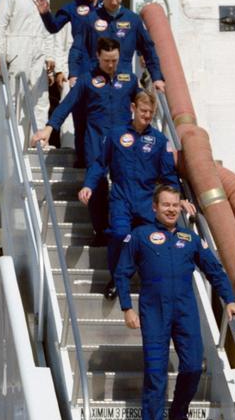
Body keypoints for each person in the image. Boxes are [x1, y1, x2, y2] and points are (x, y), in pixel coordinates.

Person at [114, 184, 235, 420]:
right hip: (154, 312)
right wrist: (126, 307)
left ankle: (178, 414)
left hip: (184, 311)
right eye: (166, 205)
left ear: (180, 207)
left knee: (193, 365)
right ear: (155, 207)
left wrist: (229, 300)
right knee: (156, 374)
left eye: (175, 205)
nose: (171, 209)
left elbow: (214, 270)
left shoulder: (190, 238)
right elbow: (122, 273)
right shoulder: (140, 236)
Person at [78, 91, 184, 298]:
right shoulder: (116, 135)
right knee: (120, 235)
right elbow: (100, 164)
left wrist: (180, 199)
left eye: (151, 112)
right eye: (143, 111)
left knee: (150, 241)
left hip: (147, 200)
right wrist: (88, 185)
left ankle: (145, 280)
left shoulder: (159, 140)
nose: (147, 116)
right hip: (121, 198)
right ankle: (117, 280)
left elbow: (168, 175)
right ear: (133, 108)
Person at [31, 37, 136, 237]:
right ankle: (101, 231)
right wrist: (49, 129)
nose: (111, 65)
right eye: (106, 61)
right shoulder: (87, 80)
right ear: (97, 56)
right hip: (96, 141)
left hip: (122, 143)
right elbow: (67, 104)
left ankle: (123, 231)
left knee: (124, 184)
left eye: (114, 60)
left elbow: (143, 104)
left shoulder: (129, 79)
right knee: (97, 186)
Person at [37, 0, 102, 164]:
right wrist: (45, 13)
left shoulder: (109, 6)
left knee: (100, 116)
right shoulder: (73, 8)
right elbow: (54, 27)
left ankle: (99, 161)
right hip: (81, 68)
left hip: (104, 69)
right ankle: (81, 159)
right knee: (79, 116)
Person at [0, 0, 55, 146]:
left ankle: (38, 142)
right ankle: (12, 142)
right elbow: (0, 26)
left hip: (39, 53)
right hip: (18, 51)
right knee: (15, 97)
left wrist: (50, 55)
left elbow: (48, 28)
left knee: (41, 98)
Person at [82, 0, 165, 92]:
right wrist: (75, 74)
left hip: (123, 81)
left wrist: (157, 77)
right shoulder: (91, 19)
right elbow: (79, 50)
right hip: (96, 80)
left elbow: (148, 49)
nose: (114, 2)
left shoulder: (133, 19)